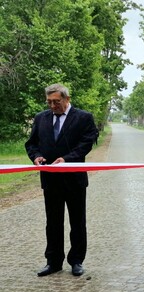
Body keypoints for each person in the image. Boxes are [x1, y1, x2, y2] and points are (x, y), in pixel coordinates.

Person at [25, 83, 98, 277]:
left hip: (74, 179)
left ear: (67, 99)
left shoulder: (83, 118)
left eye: (56, 101)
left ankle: (76, 261)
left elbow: (86, 144)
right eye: (49, 102)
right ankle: (53, 262)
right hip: (50, 180)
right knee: (53, 222)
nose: (52, 106)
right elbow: (32, 144)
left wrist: (67, 159)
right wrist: (36, 156)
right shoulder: (41, 118)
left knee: (77, 222)